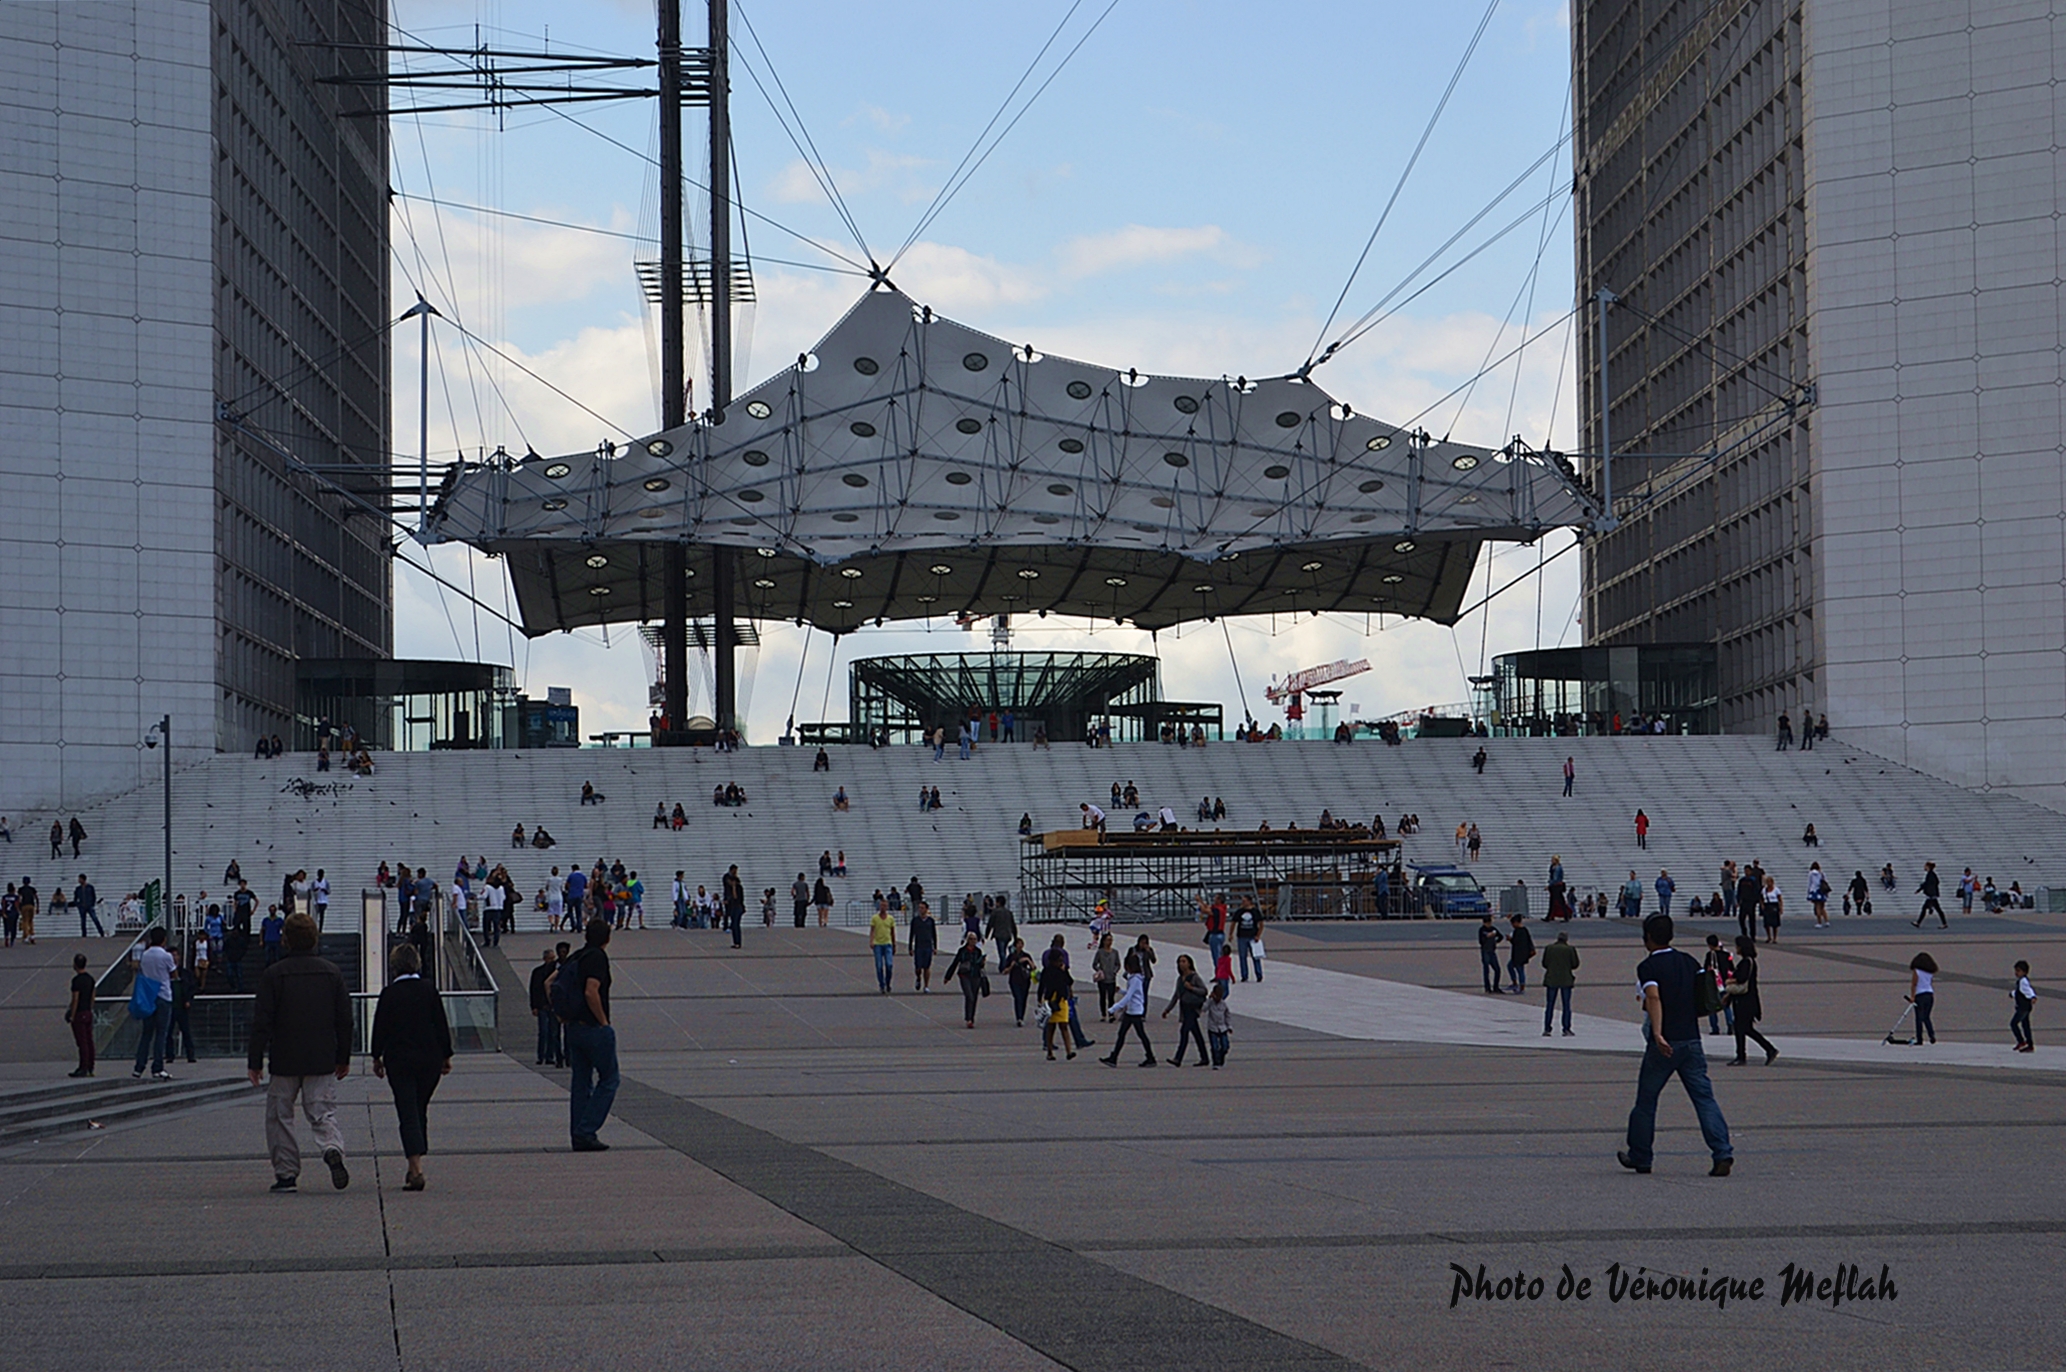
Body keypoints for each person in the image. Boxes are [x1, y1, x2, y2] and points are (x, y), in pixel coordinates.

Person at [1619, 915, 1734, 1176]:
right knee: (1704, 1098)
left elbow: (1653, 998)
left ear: (1647, 937)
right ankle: (1722, 1152)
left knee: (1646, 1101)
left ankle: (1641, 1155)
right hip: (1692, 1039)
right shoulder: (1689, 961)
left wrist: (1658, 1034)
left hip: (1666, 1043)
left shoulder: (1648, 967)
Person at [247, 913, 353, 1192]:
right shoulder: (332, 972)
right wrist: (343, 1056)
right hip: (321, 1056)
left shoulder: (273, 974)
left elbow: (262, 1022)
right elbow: (345, 1019)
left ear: (286, 940)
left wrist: (255, 1060)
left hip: (285, 1057)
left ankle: (286, 1173)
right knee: (322, 1111)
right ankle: (331, 1147)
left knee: (280, 1115)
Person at [370, 943, 452, 1193]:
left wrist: (376, 1056)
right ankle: (415, 1162)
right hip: (429, 1058)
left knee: (407, 1111)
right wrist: (446, 1055)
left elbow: (380, 1027)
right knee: (419, 1108)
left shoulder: (389, 994)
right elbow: (440, 1023)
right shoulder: (429, 989)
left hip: (400, 1059)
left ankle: (415, 1166)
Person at [556, 920, 618, 1151]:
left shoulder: (577, 956)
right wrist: (603, 1022)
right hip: (593, 1028)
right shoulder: (597, 958)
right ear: (607, 938)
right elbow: (591, 991)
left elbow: (549, 982)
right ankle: (586, 1130)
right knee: (610, 1079)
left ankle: (578, 1134)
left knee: (581, 1082)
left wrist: (561, 1014)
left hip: (573, 1028)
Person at [130, 926, 177, 1080]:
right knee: (161, 1033)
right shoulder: (166, 956)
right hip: (163, 996)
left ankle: (139, 1067)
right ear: (163, 940)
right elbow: (173, 974)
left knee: (147, 1033)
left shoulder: (145, 955)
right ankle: (158, 1067)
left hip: (149, 997)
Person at [1100, 952, 1156, 1067]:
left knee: (1139, 1034)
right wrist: (1120, 991)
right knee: (1124, 1034)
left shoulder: (1135, 979)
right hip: (1131, 1010)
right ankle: (1114, 1057)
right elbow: (1132, 994)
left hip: (1135, 1011)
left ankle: (1150, 1057)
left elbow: (1129, 996)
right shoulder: (1134, 979)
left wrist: (1114, 1008)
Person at [1160, 954, 1211, 1066]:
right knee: (1197, 1034)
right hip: (1185, 1009)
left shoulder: (1195, 977)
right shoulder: (1180, 979)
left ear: (1189, 963)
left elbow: (1204, 991)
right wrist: (1168, 1009)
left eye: (1184, 961)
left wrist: (1191, 988)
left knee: (1184, 1032)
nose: (1181, 964)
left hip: (1192, 1009)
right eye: (1179, 962)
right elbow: (1176, 995)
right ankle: (1205, 1058)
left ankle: (1178, 1058)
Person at [941, 932, 988, 1029]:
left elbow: (980, 966)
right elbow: (955, 963)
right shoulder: (962, 951)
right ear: (967, 940)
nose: (973, 941)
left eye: (974, 939)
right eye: (971, 939)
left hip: (975, 975)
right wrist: (947, 977)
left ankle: (971, 1018)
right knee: (969, 996)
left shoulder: (978, 951)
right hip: (964, 975)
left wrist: (982, 962)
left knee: (974, 997)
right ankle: (968, 1018)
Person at [1035, 951, 1073, 1059]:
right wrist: (1039, 998)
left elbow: (1069, 981)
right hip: (1051, 999)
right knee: (1051, 1027)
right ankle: (1050, 1052)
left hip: (1061, 1000)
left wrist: (1064, 971)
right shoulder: (1047, 971)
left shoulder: (1062, 971)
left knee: (1064, 1025)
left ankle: (1069, 1051)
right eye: (1059, 961)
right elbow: (1042, 985)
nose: (1061, 963)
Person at [1540, 931, 1579, 1036]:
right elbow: (1575, 964)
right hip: (1566, 979)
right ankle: (1566, 1028)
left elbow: (1544, 963)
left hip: (1551, 979)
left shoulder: (1549, 948)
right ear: (1566, 939)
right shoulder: (1570, 949)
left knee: (1550, 1004)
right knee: (1566, 1005)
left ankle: (1547, 1028)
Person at [530, 947, 562, 1065]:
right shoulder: (538, 972)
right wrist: (534, 1006)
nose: (552, 961)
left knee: (553, 1032)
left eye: (553, 959)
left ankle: (550, 1056)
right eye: (549, 959)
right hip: (542, 1005)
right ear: (544, 959)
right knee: (543, 1031)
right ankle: (541, 1055)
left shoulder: (557, 972)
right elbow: (534, 990)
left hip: (552, 1005)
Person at [65, 953, 96, 1076]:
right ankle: (90, 1066)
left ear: (75, 965)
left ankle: (83, 1067)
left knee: (81, 1042)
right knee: (89, 1041)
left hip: (79, 1013)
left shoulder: (76, 981)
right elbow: (93, 996)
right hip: (88, 1011)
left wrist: (72, 1015)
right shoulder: (90, 979)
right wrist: (90, 1009)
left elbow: (75, 999)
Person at [1906, 952, 1939, 1045]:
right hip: (1929, 994)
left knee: (1918, 1018)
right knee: (1926, 1017)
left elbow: (1914, 984)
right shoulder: (1930, 972)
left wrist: (1912, 996)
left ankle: (1919, 1039)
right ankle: (1931, 1035)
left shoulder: (1917, 971)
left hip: (1920, 995)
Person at [908, 900, 938, 993]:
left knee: (927, 967)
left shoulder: (930, 921)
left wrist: (935, 947)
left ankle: (926, 985)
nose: (920, 910)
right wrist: (910, 947)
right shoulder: (915, 920)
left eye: (922, 908)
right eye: (919, 908)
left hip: (928, 945)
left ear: (926, 909)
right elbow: (911, 934)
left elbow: (934, 934)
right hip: (918, 945)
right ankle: (918, 977)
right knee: (918, 967)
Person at [869, 901, 897, 994]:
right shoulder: (875, 918)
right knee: (879, 966)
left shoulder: (890, 918)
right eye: (881, 906)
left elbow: (892, 932)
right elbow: (872, 930)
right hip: (878, 944)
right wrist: (871, 941)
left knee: (889, 965)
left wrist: (894, 944)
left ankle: (888, 982)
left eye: (885, 906)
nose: (883, 907)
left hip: (887, 943)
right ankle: (882, 984)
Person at [985, 896, 1019, 971]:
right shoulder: (1009, 912)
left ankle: (1003, 966)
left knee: (1001, 952)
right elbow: (1013, 925)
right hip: (1007, 934)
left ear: (998, 903)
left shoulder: (995, 912)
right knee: (1003, 950)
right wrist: (1015, 936)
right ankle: (1003, 965)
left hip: (999, 934)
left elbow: (990, 924)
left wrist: (987, 934)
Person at [1204, 983, 1233, 1068]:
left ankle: (1221, 1057)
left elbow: (1227, 1016)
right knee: (1214, 1046)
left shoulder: (1223, 1004)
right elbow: (1203, 1009)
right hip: (1212, 1028)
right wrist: (1209, 999)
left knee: (1225, 1046)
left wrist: (1229, 1026)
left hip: (1222, 1027)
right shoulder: (1210, 1003)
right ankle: (1216, 1062)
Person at [1506, 913, 1536, 994]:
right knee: (1516, 968)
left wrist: (1510, 939)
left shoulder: (1518, 931)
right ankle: (1518, 984)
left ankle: (1520, 986)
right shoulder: (1525, 930)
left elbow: (1516, 942)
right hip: (1522, 954)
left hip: (1518, 955)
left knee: (1518, 970)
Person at [2011, 960, 2036, 1052]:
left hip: (2023, 1008)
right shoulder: (2021, 981)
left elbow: (2028, 990)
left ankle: (2021, 1041)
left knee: (2014, 1023)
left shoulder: (2023, 981)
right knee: (2025, 1025)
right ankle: (2029, 1044)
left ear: (2024, 972)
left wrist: (2033, 997)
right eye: (2016, 971)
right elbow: (2020, 991)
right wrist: (2012, 994)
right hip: (2025, 1007)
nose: (2016, 973)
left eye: (2018, 971)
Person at [1477, 914, 1505, 993]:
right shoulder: (1482, 930)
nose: (1489, 925)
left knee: (1497, 969)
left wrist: (1496, 942)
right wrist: (1487, 937)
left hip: (1492, 951)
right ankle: (1487, 987)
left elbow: (1500, 936)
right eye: (1487, 923)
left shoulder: (1493, 929)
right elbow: (1481, 941)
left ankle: (1496, 987)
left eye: (1489, 923)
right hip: (1485, 951)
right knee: (1486, 970)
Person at [1914, 862, 1946, 929]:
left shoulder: (1930, 875)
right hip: (1932, 895)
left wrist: (1922, 889)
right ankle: (1943, 923)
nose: (1924, 867)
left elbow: (1928, 884)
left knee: (1927, 909)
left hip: (1931, 896)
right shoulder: (1931, 874)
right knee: (1937, 909)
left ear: (1928, 867)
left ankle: (1918, 922)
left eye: (1925, 866)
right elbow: (1934, 882)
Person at [1759, 873, 1783, 943]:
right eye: (1767, 882)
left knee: (1775, 924)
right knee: (1767, 923)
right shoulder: (1764, 890)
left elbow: (1780, 899)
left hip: (1774, 905)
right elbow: (1761, 898)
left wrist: (1781, 908)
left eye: (1770, 882)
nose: (1769, 883)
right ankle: (1769, 936)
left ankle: (1775, 938)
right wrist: (1762, 905)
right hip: (1767, 905)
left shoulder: (1776, 890)